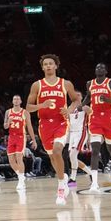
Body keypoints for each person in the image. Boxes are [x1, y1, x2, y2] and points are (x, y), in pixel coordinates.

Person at [26, 54, 82, 205]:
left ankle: (61, 188)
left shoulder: (66, 83)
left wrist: (69, 109)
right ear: (42, 67)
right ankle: (63, 178)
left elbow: (76, 100)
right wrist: (41, 105)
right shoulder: (37, 85)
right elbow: (28, 107)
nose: (49, 66)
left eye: (51, 63)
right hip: (44, 125)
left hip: (61, 122)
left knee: (58, 151)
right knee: (52, 157)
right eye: (46, 64)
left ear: (56, 66)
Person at [82, 63, 111, 191]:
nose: (99, 69)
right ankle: (95, 183)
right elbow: (88, 97)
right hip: (95, 118)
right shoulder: (89, 83)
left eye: (102, 68)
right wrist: (81, 105)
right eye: (97, 67)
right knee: (95, 150)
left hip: (108, 118)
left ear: (106, 71)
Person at [3, 95, 38, 191]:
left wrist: (34, 140)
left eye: (18, 99)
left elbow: (29, 127)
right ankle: (21, 176)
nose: (16, 100)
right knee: (11, 161)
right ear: (12, 101)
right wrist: (8, 123)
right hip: (11, 137)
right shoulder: (8, 112)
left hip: (21, 137)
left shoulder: (25, 112)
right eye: (14, 99)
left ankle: (21, 182)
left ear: (21, 101)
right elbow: (5, 126)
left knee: (19, 158)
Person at [66, 100, 92, 188]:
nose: (76, 97)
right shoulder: (69, 108)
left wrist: (88, 110)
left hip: (81, 132)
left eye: (78, 96)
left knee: (72, 155)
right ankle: (91, 174)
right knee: (72, 157)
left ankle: (73, 179)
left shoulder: (84, 107)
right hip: (72, 133)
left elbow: (92, 113)